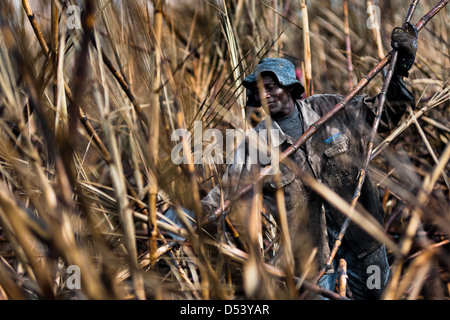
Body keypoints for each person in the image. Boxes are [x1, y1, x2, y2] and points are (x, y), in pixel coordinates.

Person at [165, 23, 418, 299]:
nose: (267, 94)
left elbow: (384, 115)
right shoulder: (256, 143)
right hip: (313, 261)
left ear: (289, 87)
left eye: (272, 87)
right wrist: (182, 218)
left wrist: (399, 67)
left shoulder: (331, 109)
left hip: (364, 240)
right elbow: (228, 191)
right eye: (261, 90)